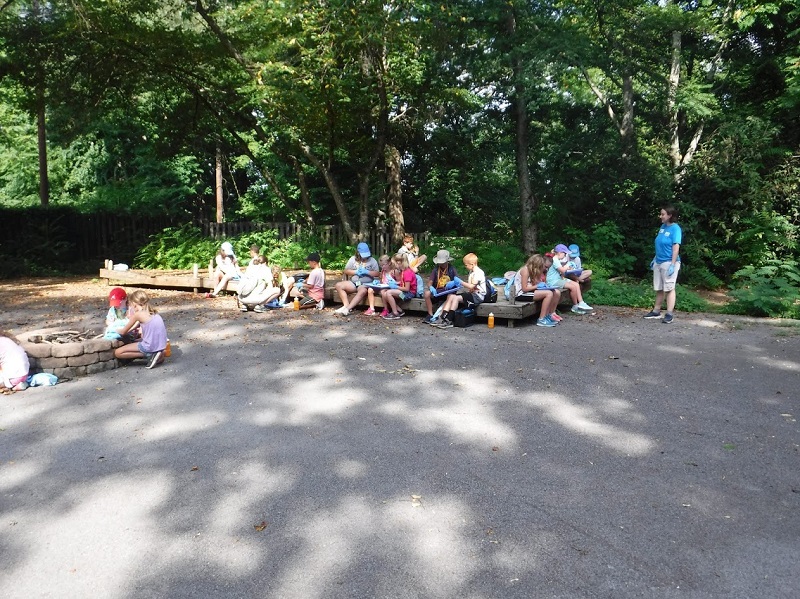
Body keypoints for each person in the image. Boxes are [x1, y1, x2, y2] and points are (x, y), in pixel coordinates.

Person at [644, 205, 682, 324]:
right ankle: (656, 311)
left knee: (669, 288)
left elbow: (676, 247)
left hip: (669, 262)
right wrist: (655, 259)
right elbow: (660, 244)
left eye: (663, 214)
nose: (660, 216)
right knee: (659, 287)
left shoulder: (675, 228)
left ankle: (669, 314)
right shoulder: (663, 227)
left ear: (670, 215)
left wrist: (672, 264)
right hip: (659, 261)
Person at [114, 290, 168, 369]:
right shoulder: (153, 313)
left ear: (134, 304)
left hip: (149, 346)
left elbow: (123, 332)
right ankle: (157, 354)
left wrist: (114, 329)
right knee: (137, 342)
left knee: (118, 353)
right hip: (161, 345)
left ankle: (150, 354)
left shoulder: (138, 315)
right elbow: (136, 327)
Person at [433, 253, 486, 328]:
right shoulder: (472, 272)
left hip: (478, 296)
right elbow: (470, 287)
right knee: (451, 296)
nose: (465, 267)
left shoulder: (478, 273)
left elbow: (471, 286)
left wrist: (460, 282)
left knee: (456, 298)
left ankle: (449, 319)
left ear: (472, 264)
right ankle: (442, 317)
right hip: (472, 294)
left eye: (466, 265)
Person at [514, 254, 561, 327]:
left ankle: (548, 315)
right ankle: (541, 319)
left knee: (554, 291)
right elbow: (524, 289)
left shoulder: (533, 271)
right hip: (521, 294)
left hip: (529, 292)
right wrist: (537, 286)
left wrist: (544, 286)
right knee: (548, 294)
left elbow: (535, 283)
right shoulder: (525, 270)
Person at [333, 243, 380, 316]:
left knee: (362, 291)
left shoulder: (372, 260)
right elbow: (346, 270)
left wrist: (367, 272)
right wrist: (355, 272)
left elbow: (377, 273)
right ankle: (346, 305)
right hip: (354, 282)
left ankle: (347, 309)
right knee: (338, 285)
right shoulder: (353, 259)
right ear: (358, 253)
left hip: (365, 284)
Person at [547, 244, 593, 314]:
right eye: (565, 253)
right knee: (572, 287)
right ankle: (575, 305)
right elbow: (562, 270)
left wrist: (568, 267)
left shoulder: (557, 259)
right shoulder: (555, 260)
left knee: (576, 284)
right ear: (560, 253)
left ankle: (581, 303)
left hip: (559, 279)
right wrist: (568, 265)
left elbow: (562, 271)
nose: (565, 255)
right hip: (553, 281)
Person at [422, 249, 460, 324]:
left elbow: (458, 282)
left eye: (443, 263)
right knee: (426, 293)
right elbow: (430, 282)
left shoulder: (452, 269)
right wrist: (431, 287)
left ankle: (440, 316)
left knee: (450, 296)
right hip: (437, 292)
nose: (441, 264)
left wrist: (453, 283)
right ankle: (430, 314)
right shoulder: (436, 269)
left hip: (449, 292)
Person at [380, 253, 418, 320]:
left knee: (388, 293)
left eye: (395, 264)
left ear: (400, 263)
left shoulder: (407, 272)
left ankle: (395, 313)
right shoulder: (403, 271)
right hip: (404, 293)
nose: (394, 265)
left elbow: (407, 289)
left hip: (407, 295)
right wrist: (396, 283)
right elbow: (403, 283)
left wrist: (396, 287)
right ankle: (400, 311)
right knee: (385, 294)